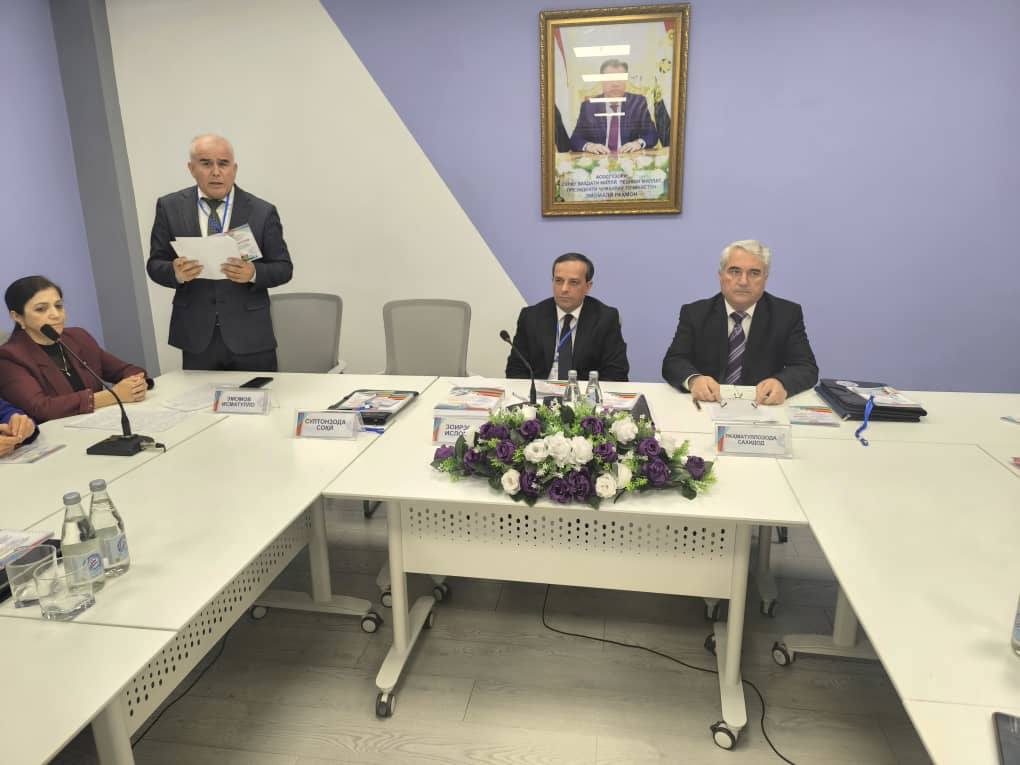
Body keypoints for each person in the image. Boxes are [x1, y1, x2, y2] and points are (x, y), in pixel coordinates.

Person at [147, 133, 293, 371]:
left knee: (259, 394)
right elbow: (155, 264)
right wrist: (175, 272)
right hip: (197, 337)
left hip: (251, 336)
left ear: (234, 169)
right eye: (206, 163)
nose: (216, 172)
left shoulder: (262, 211)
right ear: (191, 168)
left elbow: (284, 268)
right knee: (199, 397)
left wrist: (254, 273)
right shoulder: (169, 207)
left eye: (223, 164)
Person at [662, 240, 818, 405]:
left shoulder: (786, 314)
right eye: (735, 271)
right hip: (708, 404)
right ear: (721, 275)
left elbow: (806, 367)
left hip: (763, 405)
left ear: (765, 278)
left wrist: (782, 383)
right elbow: (673, 361)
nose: (743, 281)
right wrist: (694, 380)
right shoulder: (695, 313)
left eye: (754, 273)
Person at [0, 276, 150, 423]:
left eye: (58, 306)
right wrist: (113, 396)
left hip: (101, 422)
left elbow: (127, 370)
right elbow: (42, 408)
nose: (56, 315)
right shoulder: (9, 356)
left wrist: (136, 384)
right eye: (41, 309)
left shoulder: (77, 337)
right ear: (17, 317)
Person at [506, 253, 630, 382]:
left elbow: (616, 373)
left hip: (584, 392)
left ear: (588, 287)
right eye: (558, 281)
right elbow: (516, 369)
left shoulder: (606, 318)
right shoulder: (531, 316)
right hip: (539, 391)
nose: (564, 289)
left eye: (574, 282)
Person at [570, 59, 658, 154]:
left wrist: (638, 143)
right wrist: (589, 146)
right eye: (610, 78)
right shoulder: (589, 106)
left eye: (620, 78)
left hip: (629, 158)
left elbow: (652, 134)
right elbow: (575, 139)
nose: (615, 84)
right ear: (602, 81)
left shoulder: (637, 102)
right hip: (599, 159)